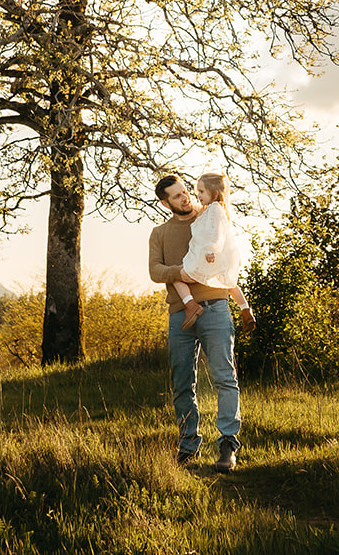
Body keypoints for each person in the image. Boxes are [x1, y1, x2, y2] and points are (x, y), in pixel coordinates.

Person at [149, 173, 243, 472]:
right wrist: (181, 272)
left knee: (225, 377)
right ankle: (188, 445)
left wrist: (242, 303)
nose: (186, 197)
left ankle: (228, 445)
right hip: (180, 313)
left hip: (216, 307)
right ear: (166, 203)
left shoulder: (212, 216)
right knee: (181, 383)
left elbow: (228, 254)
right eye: (177, 196)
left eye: (186, 191)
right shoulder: (160, 233)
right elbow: (155, 270)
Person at [169, 172, 255, 333]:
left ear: (214, 193)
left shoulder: (215, 210)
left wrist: (210, 250)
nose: (198, 195)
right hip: (218, 254)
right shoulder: (211, 209)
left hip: (209, 254)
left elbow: (216, 234)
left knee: (176, 275)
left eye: (201, 192)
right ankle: (245, 310)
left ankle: (190, 305)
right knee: (228, 281)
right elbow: (197, 211)